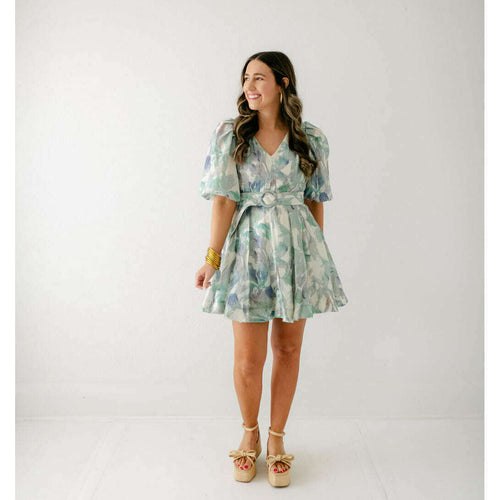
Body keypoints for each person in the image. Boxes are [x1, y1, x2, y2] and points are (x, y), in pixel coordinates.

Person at [194, 51, 348, 487]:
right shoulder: (231, 136)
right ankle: (250, 434)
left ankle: (277, 438)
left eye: (259, 78)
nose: (249, 86)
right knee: (248, 359)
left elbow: (315, 201)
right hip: (248, 253)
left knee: (288, 350)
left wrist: (315, 259)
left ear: (283, 84)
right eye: (246, 78)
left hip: (298, 253)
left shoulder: (310, 139)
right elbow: (223, 201)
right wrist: (211, 259)